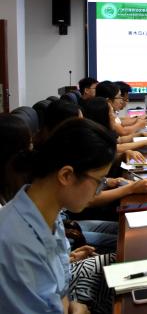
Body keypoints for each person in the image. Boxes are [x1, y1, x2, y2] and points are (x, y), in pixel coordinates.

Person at [0, 118, 116, 314]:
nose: (98, 191)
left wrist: (70, 305)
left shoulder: (47, 212)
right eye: (99, 181)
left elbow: (60, 288)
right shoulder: (16, 244)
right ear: (66, 175)